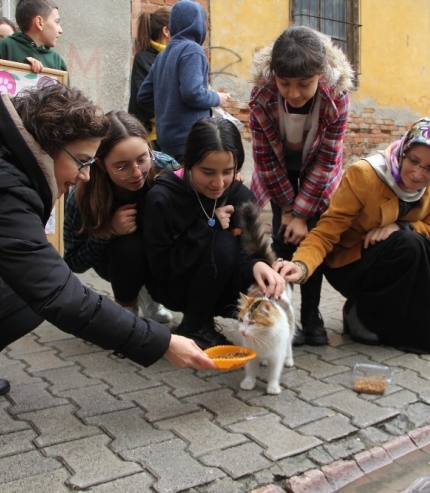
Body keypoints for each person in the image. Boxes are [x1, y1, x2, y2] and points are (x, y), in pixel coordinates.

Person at [0, 84, 216, 431]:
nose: (85, 174)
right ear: (50, 146)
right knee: (28, 294)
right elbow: (61, 295)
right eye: (83, 162)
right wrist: (161, 342)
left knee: (15, 279)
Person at [277, 118, 430, 354]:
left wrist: (401, 226)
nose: (417, 173)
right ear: (403, 151)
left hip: (395, 251)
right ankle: (360, 313)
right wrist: (301, 266)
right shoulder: (365, 175)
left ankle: (410, 322)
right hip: (349, 264)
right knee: (407, 245)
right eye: (413, 161)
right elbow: (326, 232)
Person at [249, 25, 353, 346]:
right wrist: (287, 209)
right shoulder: (262, 97)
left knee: (310, 239)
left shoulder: (336, 98)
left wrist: (304, 215)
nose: (293, 93)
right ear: (274, 76)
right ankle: (284, 316)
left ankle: (312, 315)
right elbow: (265, 157)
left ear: (320, 76)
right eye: (285, 84)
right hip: (279, 169)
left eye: (304, 85)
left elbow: (325, 161)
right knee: (282, 239)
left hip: (317, 175)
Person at [144, 117, 286, 349]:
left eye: (228, 172)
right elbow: (161, 267)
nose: (218, 183)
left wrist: (256, 265)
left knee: (257, 267)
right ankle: (195, 326)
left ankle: (209, 323)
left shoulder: (240, 196)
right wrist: (207, 226)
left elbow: (246, 253)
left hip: (223, 290)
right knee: (222, 240)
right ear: (188, 164)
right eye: (207, 172)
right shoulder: (162, 197)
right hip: (172, 286)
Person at [64, 110, 175, 324]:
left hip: (161, 253)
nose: (136, 173)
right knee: (129, 244)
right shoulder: (82, 193)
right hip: (116, 261)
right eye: (122, 167)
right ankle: (126, 309)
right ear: (101, 164)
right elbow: (73, 263)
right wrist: (108, 232)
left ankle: (154, 295)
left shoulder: (166, 168)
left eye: (142, 159)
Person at [136, 0, 230, 160]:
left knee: (175, 183)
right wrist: (217, 98)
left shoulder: (162, 55)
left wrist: (168, 107)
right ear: (198, 24)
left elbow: (143, 97)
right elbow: (192, 93)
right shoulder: (192, 50)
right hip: (191, 140)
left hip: (166, 141)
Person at [127, 7, 171, 149]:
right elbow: (145, 102)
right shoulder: (144, 59)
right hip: (155, 139)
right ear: (166, 31)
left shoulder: (173, 57)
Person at [0, 0, 67, 75]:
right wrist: (23, 67)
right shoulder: (4, 48)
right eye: (56, 22)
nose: (60, 30)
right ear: (39, 22)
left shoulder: (57, 60)